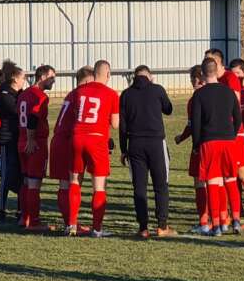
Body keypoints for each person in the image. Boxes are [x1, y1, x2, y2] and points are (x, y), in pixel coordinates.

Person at [205, 49, 244, 230]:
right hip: (220, 133)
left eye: (211, 60)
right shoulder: (214, 81)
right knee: (221, 175)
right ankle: (226, 215)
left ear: (220, 62)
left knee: (241, 171)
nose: (209, 64)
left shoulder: (230, 79)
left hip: (233, 132)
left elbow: (234, 105)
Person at [120, 64, 174, 239]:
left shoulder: (126, 94)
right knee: (160, 184)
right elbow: (168, 109)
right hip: (156, 142)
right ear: (149, 76)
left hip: (135, 143)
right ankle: (162, 225)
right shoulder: (157, 90)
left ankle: (143, 227)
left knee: (139, 187)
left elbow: (123, 125)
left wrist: (123, 149)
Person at [191, 56, 242, 236]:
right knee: (230, 180)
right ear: (216, 71)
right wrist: (232, 134)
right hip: (228, 141)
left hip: (209, 141)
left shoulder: (199, 94)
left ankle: (217, 225)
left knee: (212, 182)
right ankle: (235, 220)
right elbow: (238, 118)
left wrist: (197, 144)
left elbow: (195, 123)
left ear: (203, 75)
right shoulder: (228, 92)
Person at [68, 60, 120, 237]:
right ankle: (97, 229)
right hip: (97, 139)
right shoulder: (111, 94)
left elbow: (75, 113)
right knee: (98, 186)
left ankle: (72, 224)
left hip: (77, 137)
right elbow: (115, 124)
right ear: (107, 74)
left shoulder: (79, 91)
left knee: (75, 180)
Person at [50, 66, 94, 233]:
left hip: (58, 139)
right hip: (68, 140)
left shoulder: (71, 94)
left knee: (64, 184)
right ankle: (71, 223)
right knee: (73, 182)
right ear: (88, 80)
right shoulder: (81, 95)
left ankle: (69, 222)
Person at [17, 65, 56, 231]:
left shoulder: (23, 94)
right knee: (34, 183)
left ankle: (24, 218)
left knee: (26, 181)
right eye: (51, 77)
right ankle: (34, 222)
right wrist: (32, 139)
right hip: (35, 143)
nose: (53, 81)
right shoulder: (39, 96)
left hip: (21, 141)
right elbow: (33, 117)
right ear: (42, 77)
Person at [175, 64, 209, 233]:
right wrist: (181, 137)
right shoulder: (219, 93)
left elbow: (192, 124)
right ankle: (223, 219)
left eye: (194, 78)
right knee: (218, 182)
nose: (193, 81)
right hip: (220, 143)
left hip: (201, 144)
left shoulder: (195, 99)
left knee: (199, 181)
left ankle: (204, 221)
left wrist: (186, 139)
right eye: (191, 78)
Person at [0, 63, 25, 222]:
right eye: (22, 77)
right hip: (8, 139)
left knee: (22, 175)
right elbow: (16, 110)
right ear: (14, 78)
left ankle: (20, 210)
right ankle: (1, 209)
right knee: (6, 176)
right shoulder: (5, 93)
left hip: (19, 138)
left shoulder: (20, 93)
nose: (24, 81)